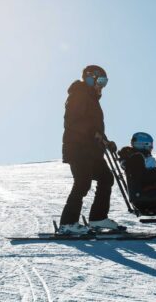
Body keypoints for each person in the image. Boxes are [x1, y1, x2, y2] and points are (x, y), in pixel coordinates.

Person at [59, 65, 120, 235]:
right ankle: (68, 223)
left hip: (91, 150)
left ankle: (98, 218)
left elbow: (95, 128)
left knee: (106, 178)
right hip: (78, 148)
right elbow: (72, 121)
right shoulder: (78, 94)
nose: (102, 86)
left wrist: (106, 141)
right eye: (101, 81)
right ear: (90, 78)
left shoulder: (92, 99)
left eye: (105, 82)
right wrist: (93, 132)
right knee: (82, 183)